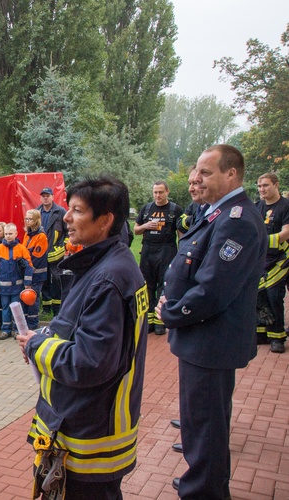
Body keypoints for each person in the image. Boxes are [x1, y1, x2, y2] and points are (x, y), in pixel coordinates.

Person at [17, 175, 147, 499]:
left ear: (105, 221)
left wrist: (36, 345)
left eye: (77, 210)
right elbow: (77, 327)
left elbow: (88, 363)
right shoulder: (107, 264)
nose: (66, 217)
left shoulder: (108, 278)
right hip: (85, 425)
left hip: (86, 437)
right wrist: (46, 334)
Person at [156, 145, 266, 498]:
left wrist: (171, 313)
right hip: (203, 340)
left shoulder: (237, 221)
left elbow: (214, 290)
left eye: (205, 172)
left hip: (210, 341)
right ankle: (203, 479)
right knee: (203, 422)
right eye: (196, 173)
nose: (195, 179)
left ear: (231, 173)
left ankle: (204, 490)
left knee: (205, 426)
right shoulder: (217, 213)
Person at [134, 181, 184, 335]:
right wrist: (145, 226)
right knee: (147, 284)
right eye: (155, 192)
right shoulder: (147, 209)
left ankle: (159, 321)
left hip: (167, 249)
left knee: (164, 285)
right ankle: (148, 322)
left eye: (161, 192)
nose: (158, 195)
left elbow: (181, 235)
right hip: (148, 249)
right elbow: (136, 230)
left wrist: (180, 254)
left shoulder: (175, 210)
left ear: (167, 192)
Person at [255, 172, 289, 353]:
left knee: (274, 295)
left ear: (276, 185)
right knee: (258, 295)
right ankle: (261, 332)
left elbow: (286, 233)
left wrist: (261, 241)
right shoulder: (257, 206)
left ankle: (277, 336)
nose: (262, 190)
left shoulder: (285, 206)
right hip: (261, 259)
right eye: (260, 186)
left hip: (281, 258)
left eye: (266, 186)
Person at [0, 223, 33, 340]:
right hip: (3, 287)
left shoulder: (21, 248)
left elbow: (29, 267)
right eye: (6, 234)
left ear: (16, 234)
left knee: (16, 308)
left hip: (17, 286)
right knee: (5, 308)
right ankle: (6, 330)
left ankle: (17, 330)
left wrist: (27, 284)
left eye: (10, 234)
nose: (8, 236)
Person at [37, 187, 68, 316]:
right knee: (43, 280)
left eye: (47, 195)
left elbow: (68, 231)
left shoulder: (60, 212)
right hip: (41, 254)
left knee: (56, 279)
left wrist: (64, 245)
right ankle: (46, 308)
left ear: (52, 197)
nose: (45, 197)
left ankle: (57, 308)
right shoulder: (37, 212)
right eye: (43, 195)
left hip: (56, 253)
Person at [23, 209, 49, 330]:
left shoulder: (41, 236)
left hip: (37, 273)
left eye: (30, 219)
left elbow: (37, 257)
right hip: (27, 272)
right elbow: (23, 252)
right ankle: (28, 323)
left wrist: (23, 262)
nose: (27, 221)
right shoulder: (27, 234)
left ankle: (33, 324)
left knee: (33, 299)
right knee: (26, 298)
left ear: (36, 220)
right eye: (26, 219)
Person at [176, 166, 206, 234]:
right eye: (190, 184)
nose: (190, 189)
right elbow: (179, 223)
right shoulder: (194, 205)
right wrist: (193, 219)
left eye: (195, 183)